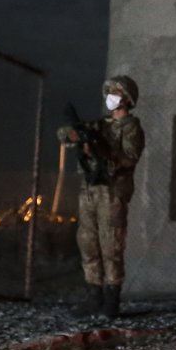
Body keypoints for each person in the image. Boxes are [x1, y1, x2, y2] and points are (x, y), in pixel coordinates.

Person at [58, 74, 144, 318]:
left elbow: (130, 157)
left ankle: (111, 300)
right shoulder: (101, 125)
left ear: (126, 99)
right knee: (88, 242)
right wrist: (76, 136)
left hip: (112, 191)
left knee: (111, 244)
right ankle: (94, 295)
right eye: (110, 93)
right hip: (90, 190)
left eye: (116, 93)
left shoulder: (131, 128)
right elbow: (65, 134)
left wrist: (104, 154)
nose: (111, 98)